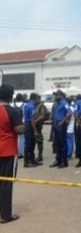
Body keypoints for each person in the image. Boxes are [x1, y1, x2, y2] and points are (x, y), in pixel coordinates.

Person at [0, 84, 24, 224]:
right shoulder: (12, 111)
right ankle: (6, 215)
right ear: (10, 96)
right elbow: (19, 130)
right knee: (6, 183)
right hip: (8, 150)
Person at [50, 90, 72, 168]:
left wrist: (63, 121)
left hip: (61, 125)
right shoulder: (56, 104)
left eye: (57, 95)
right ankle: (58, 160)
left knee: (62, 143)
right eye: (55, 95)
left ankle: (64, 161)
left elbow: (69, 112)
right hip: (56, 124)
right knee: (57, 143)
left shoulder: (64, 103)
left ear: (61, 95)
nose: (55, 97)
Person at [23, 93, 42, 167]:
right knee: (29, 144)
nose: (39, 100)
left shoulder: (28, 105)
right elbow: (32, 120)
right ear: (35, 98)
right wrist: (35, 131)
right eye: (38, 98)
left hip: (28, 124)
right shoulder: (31, 107)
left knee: (32, 143)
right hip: (29, 126)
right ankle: (27, 162)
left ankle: (32, 160)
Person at [33, 95, 49, 162]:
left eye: (36, 99)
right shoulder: (34, 105)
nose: (34, 101)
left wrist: (35, 121)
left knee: (39, 140)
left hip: (38, 125)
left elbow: (42, 116)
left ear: (38, 99)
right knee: (34, 140)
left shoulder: (41, 106)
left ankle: (40, 156)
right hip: (34, 124)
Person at [13, 94, 25, 159]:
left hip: (14, 122)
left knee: (15, 138)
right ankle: (21, 153)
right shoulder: (24, 105)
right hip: (21, 122)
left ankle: (16, 152)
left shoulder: (13, 104)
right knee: (22, 138)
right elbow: (24, 114)